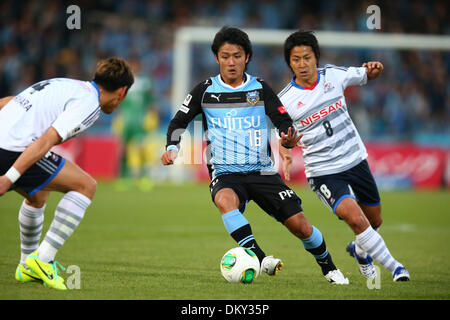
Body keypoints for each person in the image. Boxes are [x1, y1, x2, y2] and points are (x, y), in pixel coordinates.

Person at [161, 26, 349, 284]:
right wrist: (172, 147)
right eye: (225, 56)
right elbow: (178, 123)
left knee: (300, 226)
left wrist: (288, 135)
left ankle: (329, 267)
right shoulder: (203, 90)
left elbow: (282, 119)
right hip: (225, 173)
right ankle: (260, 259)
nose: (231, 62)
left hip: (261, 171)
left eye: (237, 56)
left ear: (247, 57)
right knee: (225, 201)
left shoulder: (260, 88)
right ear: (216, 58)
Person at [278, 30, 410, 282]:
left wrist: (375, 68)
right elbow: (283, 135)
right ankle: (396, 268)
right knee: (356, 219)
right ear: (289, 63)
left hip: (355, 160)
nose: (302, 64)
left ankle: (360, 251)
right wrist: (285, 153)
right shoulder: (285, 100)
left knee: (374, 219)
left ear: (316, 57)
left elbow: (367, 74)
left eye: (307, 57)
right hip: (323, 171)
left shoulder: (334, 75)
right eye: (296, 59)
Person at [0, 57, 134, 290]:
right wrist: (9, 178)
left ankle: (26, 266)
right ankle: (42, 260)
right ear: (122, 92)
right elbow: (46, 141)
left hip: (5, 140)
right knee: (85, 186)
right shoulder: (89, 105)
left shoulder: (67, 84)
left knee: (38, 195)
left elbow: (13, 101)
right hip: (12, 150)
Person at [112, 57, 157, 192]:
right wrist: (117, 117)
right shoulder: (122, 82)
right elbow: (117, 101)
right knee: (123, 149)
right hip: (125, 120)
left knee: (141, 148)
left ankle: (144, 178)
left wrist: (152, 116)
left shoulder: (146, 82)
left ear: (139, 66)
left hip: (140, 120)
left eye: (136, 65)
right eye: (131, 66)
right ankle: (123, 178)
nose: (134, 68)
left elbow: (150, 101)